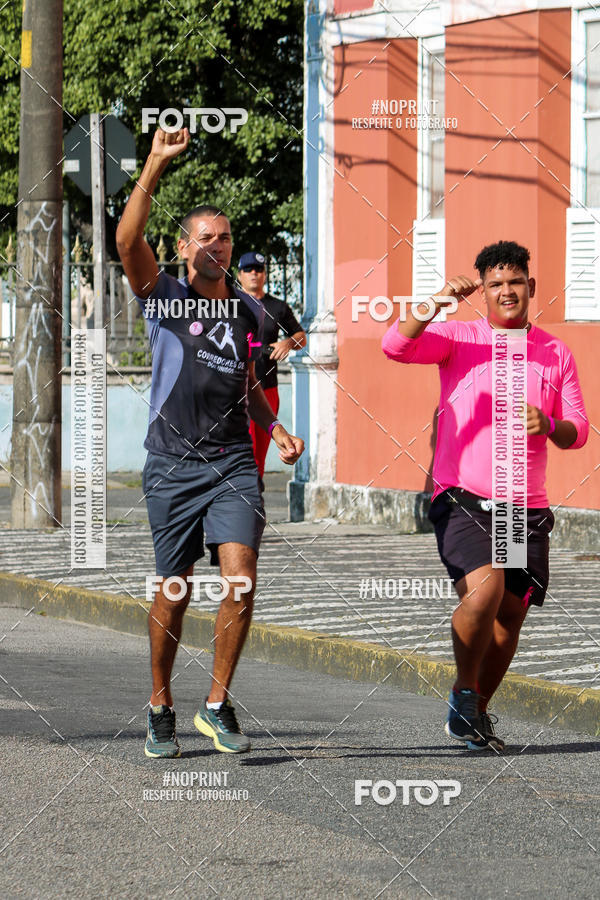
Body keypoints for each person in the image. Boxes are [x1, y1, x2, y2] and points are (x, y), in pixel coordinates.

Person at [116, 127, 304, 758]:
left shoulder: (248, 313)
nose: (218, 246)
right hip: (172, 463)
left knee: (242, 581)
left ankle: (217, 704)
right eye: (206, 237)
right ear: (183, 246)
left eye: (225, 237)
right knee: (175, 587)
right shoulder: (162, 297)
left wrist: (273, 426)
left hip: (231, 463)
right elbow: (125, 239)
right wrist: (155, 164)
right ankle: (160, 701)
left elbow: (246, 383)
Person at [382, 240, 588, 752]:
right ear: (484, 294)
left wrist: (552, 424)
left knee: (511, 614)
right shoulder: (459, 338)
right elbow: (395, 345)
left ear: (530, 286)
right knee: (485, 592)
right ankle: (466, 690)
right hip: (464, 497)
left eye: (515, 282)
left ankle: (472, 706)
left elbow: (580, 430)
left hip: (522, 505)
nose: (506, 291)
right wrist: (435, 300)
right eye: (495, 284)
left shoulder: (554, 352)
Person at [237, 252, 306, 477]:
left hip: (267, 388)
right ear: (239, 275)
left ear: (265, 274)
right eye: (248, 270)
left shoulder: (277, 307)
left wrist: (288, 342)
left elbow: (301, 336)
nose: (253, 274)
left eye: (258, 269)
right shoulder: (230, 305)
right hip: (237, 388)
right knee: (240, 452)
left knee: (258, 456)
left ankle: (254, 503)